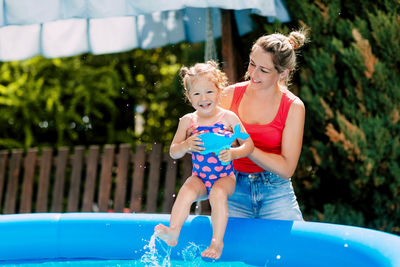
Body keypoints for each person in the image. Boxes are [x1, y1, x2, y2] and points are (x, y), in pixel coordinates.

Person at [155, 61, 254, 259]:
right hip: (200, 176)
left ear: (219, 91)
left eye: (209, 92)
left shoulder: (229, 118)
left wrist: (234, 153)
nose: (204, 98)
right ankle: (173, 232)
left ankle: (217, 243)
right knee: (186, 191)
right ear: (189, 96)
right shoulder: (187, 121)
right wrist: (185, 146)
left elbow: (249, 145)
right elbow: (173, 151)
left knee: (217, 193)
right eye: (197, 94)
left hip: (225, 177)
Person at [219, 30, 308, 220]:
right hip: (232, 184)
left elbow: (286, 168)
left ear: (283, 73)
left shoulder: (293, 107)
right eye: (252, 64)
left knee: (292, 249)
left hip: (276, 190)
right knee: (229, 249)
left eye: (264, 70)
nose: (253, 74)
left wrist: (246, 148)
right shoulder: (228, 96)